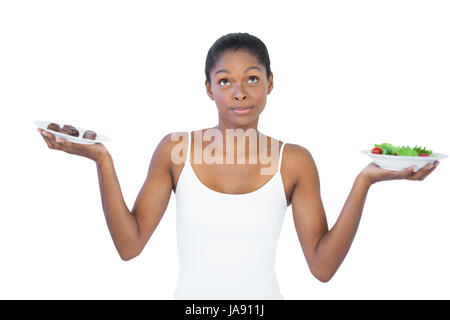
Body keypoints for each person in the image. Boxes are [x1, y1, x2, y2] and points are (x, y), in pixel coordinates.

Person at [37, 32, 439, 300]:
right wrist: (102, 162)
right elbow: (130, 246)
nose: (240, 92)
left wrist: (364, 181)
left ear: (269, 83)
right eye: (225, 81)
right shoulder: (176, 150)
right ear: (209, 88)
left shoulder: (294, 161)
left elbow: (322, 267)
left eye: (251, 78)